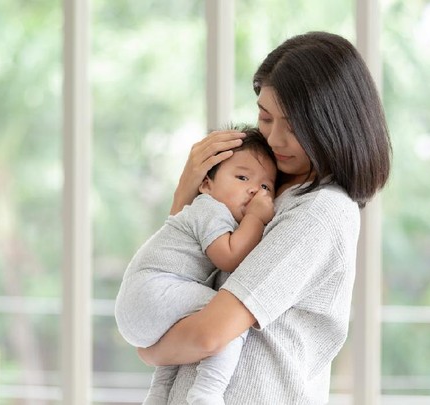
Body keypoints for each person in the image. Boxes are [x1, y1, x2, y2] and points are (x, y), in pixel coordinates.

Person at [135, 31, 392, 403]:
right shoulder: (263, 187)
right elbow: (177, 267)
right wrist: (186, 194)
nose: (275, 139)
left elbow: (208, 334)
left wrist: (152, 349)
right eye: (266, 117)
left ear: (333, 125)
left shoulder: (320, 213)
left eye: (294, 125)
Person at [115, 127, 277, 405]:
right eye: (241, 177)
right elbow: (228, 257)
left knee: (182, 335)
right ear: (206, 184)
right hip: (153, 289)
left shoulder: (212, 213)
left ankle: (157, 397)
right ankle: (207, 393)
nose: (254, 189)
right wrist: (257, 219)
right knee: (228, 321)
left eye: (265, 187)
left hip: (141, 303)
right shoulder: (209, 209)